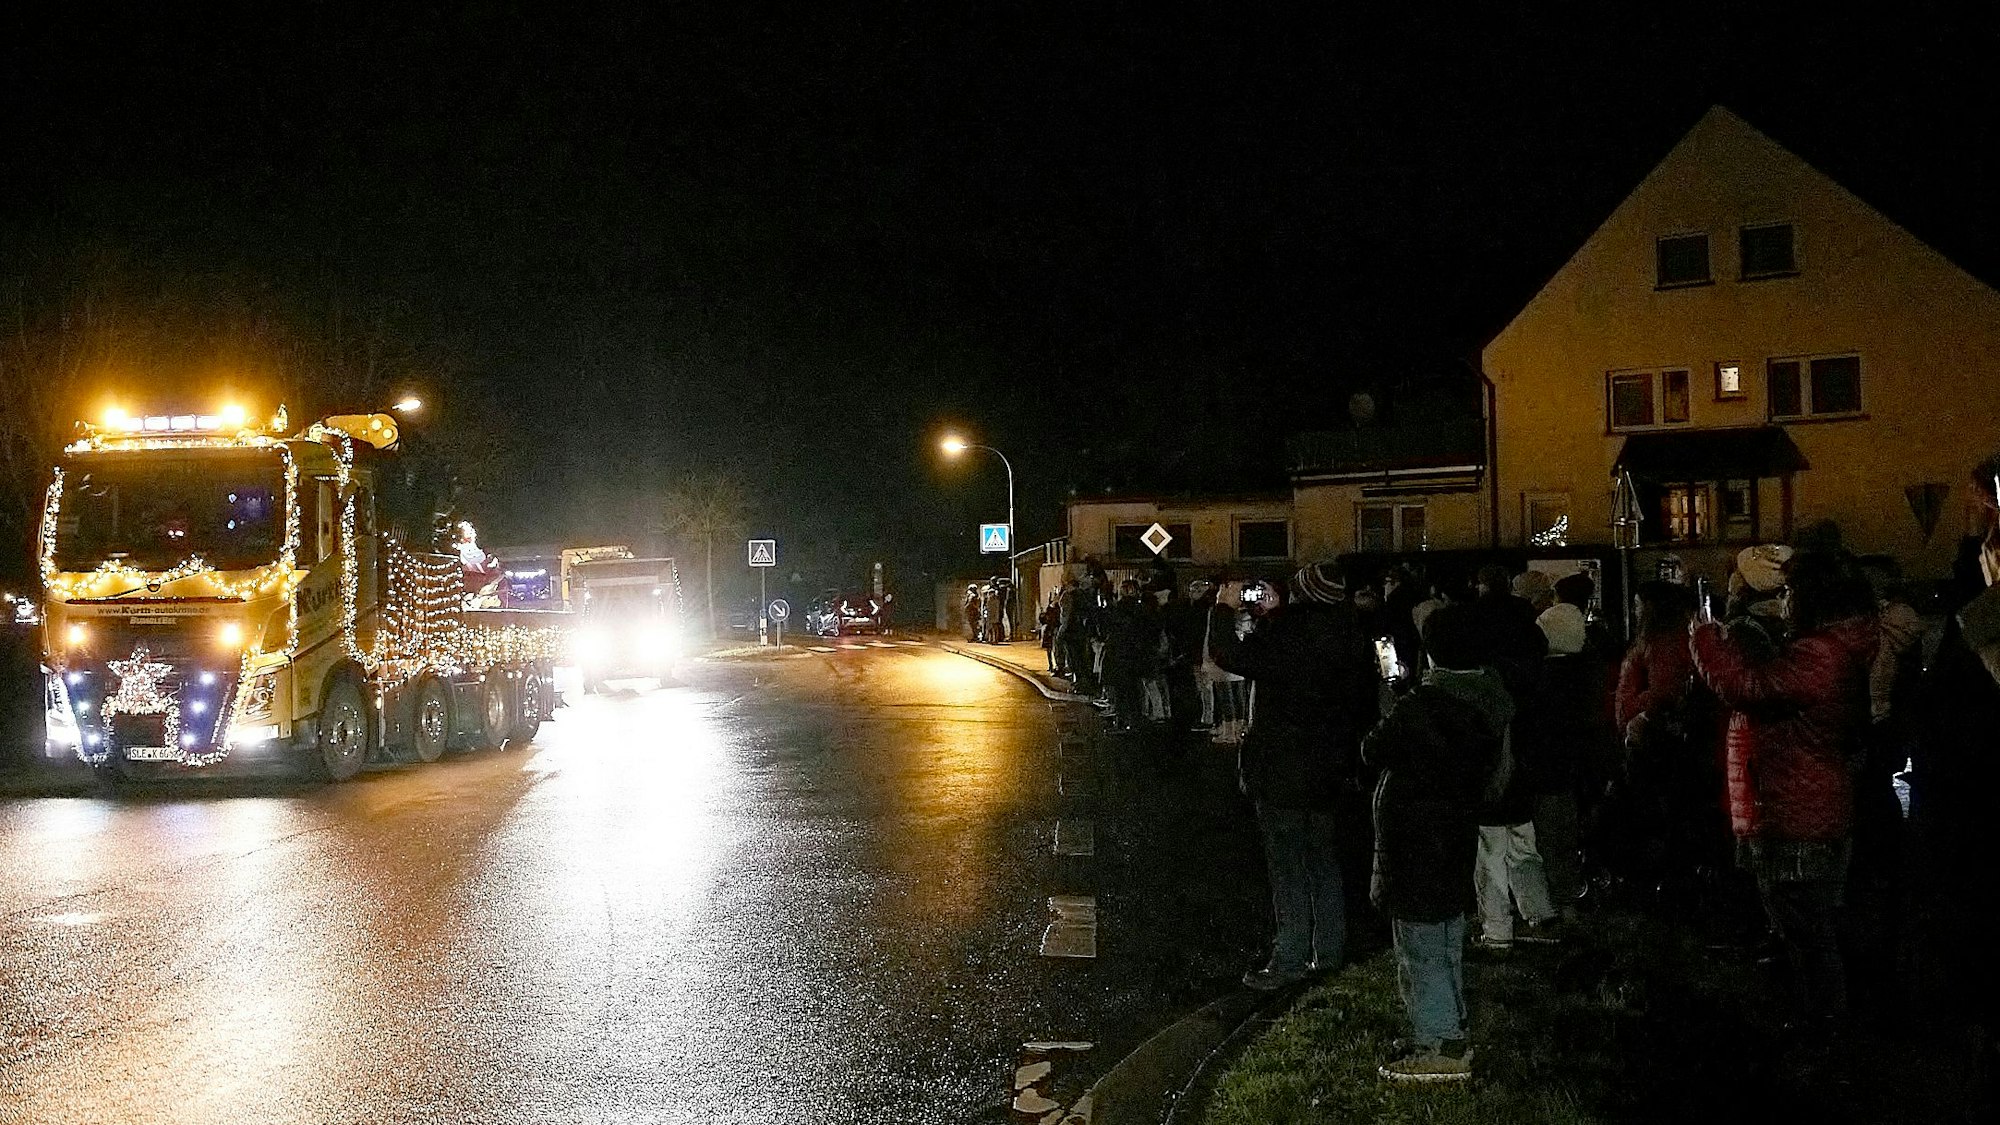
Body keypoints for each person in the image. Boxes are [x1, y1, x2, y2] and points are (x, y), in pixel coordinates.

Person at [1692, 548, 1878, 1031]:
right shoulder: (1832, 647)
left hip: (1801, 806)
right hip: (1809, 797)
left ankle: (1825, 1023)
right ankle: (1820, 1015)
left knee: (1806, 925)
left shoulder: (1820, 653)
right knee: (1808, 924)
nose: (1783, 601)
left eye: (1790, 592)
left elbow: (1752, 687)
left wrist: (1705, 641)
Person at [1210, 564, 1381, 990]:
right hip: (1330, 767)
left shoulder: (1291, 636)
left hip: (1284, 765)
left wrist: (1221, 610)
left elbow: (1232, 656)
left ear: (1301, 596)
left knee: (1287, 866)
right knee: (1323, 860)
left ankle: (1289, 960)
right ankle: (1329, 952)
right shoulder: (1349, 634)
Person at [1363, 604, 1509, 1083]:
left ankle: (1441, 1042)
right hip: (1454, 830)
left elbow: (1374, 749)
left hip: (1415, 837)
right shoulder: (1488, 698)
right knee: (1444, 932)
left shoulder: (1424, 706)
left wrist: (1396, 700)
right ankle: (1450, 1025)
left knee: (1419, 941)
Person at [1467, 564, 1558, 950]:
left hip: (1491, 748)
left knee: (1489, 844)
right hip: (1527, 746)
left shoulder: (1477, 634)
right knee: (1523, 836)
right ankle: (1538, 915)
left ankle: (1497, 928)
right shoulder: (1532, 634)